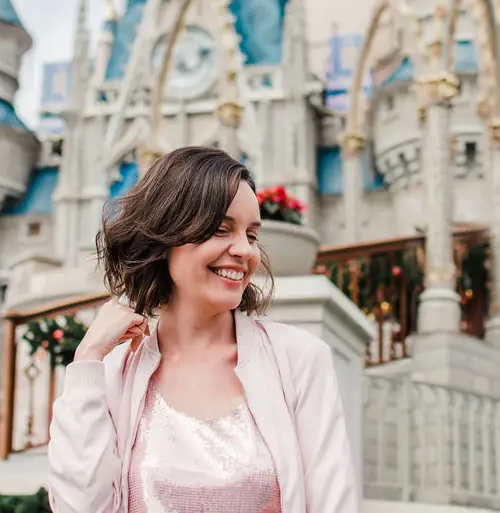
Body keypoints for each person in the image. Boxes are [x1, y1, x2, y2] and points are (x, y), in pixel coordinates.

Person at [47, 146, 359, 512]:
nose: (244, 250)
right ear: (166, 238)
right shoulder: (116, 372)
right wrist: (87, 359)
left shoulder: (299, 360)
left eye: (252, 235)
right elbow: (80, 507)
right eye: (221, 229)